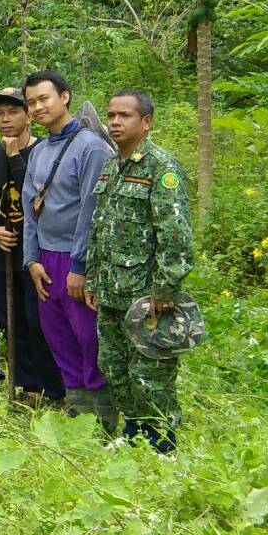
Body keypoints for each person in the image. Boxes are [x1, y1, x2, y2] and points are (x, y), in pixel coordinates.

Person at [85, 90, 193, 452]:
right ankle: (133, 436)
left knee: (151, 374)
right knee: (115, 367)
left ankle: (162, 444)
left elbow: (175, 238)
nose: (115, 122)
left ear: (146, 122)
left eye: (125, 115)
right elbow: (101, 230)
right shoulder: (111, 167)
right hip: (111, 293)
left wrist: (163, 290)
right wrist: (94, 279)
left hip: (146, 297)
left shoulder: (161, 168)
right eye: (111, 115)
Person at [20, 70, 116, 420]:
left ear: (64, 97)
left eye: (43, 99)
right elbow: (30, 209)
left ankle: (104, 421)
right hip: (46, 261)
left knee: (89, 339)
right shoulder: (38, 151)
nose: (37, 107)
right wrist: (32, 260)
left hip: (76, 261)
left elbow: (92, 210)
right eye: (31, 102)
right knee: (59, 338)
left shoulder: (91, 147)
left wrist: (80, 265)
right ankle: (78, 416)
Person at [0, 87, 65, 405]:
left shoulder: (43, 152)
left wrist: (14, 157)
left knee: (39, 320)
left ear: (28, 116)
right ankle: (28, 387)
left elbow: (36, 195)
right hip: (1, 254)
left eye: (13, 112)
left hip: (37, 254)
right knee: (10, 322)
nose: (5, 119)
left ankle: (55, 388)